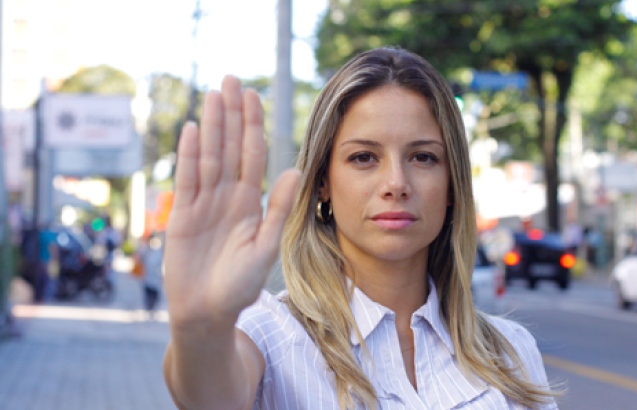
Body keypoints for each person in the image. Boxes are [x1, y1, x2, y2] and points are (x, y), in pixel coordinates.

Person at [163, 47, 560, 409]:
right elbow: (207, 394)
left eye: (422, 157)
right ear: (323, 182)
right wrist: (200, 328)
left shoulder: (511, 351)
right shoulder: (269, 336)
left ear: (453, 184)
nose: (396, 184)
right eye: (364, 157)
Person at [136, 232, 165, 319]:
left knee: (155, 292)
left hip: (155, 274)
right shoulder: (146, 249)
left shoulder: (159, 250)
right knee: (147, 291)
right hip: (147, 274)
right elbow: (140, 258)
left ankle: (152, 308)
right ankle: (149, 308)